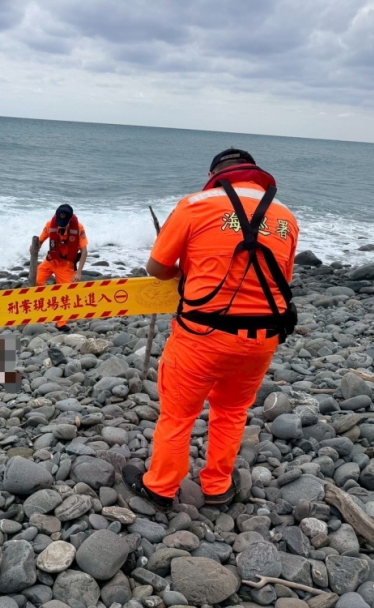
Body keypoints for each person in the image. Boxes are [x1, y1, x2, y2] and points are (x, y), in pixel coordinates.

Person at [122, 148, 299, 511]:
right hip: (262, 339)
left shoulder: (195, 205)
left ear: (214, 176)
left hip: (202, 336)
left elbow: (156, 268)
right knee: (232, 412)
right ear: (255, 175)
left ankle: (160, 487)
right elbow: (282, 279)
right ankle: (218, 486)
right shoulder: (286, 217)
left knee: (178, 414)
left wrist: (188, 272)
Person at [31, 204, 88, 332]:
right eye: (59, 222)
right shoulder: (50, 225)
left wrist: (78, 272)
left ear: (70, 219)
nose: (61, 225)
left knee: (67, 294)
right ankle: (40, 309)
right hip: (51, 261)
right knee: (36, 281)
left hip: (66, 265)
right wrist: (35, 247)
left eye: (64, 223)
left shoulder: (78, 228)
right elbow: (40, 241)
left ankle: (60, 323)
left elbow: (84, 251)